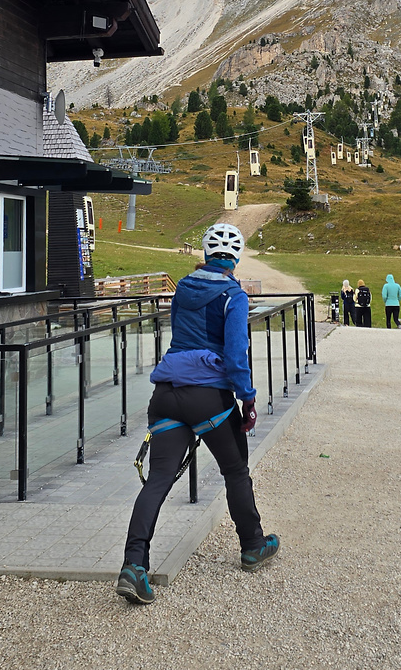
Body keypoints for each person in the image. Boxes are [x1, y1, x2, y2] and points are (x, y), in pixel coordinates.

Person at [117, 223, 279, 605]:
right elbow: (236, 352)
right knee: (235, 470)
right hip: (209, 398)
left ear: (205, 254)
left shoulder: (183, 289)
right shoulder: (233, 295)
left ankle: (133, 566)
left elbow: (184, 338)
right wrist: (248, 398)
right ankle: (252, 545)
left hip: (167, 393)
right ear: (234, 257)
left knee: (158, 480)